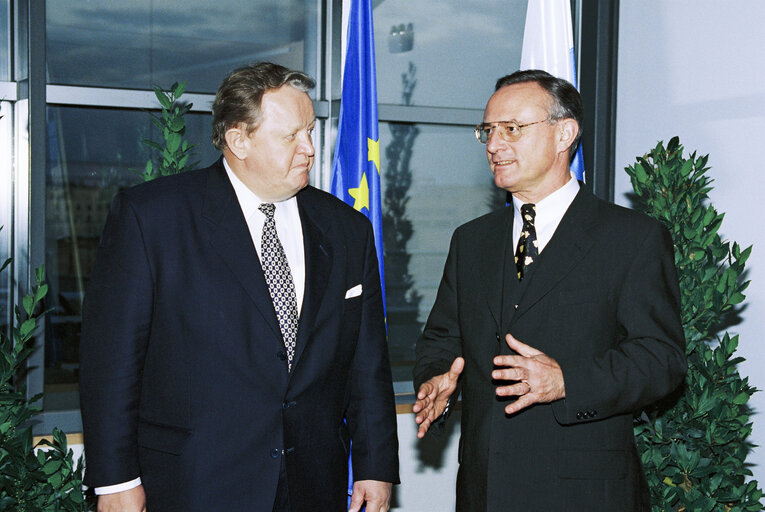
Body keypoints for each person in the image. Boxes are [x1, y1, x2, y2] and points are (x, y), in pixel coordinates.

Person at [79, 62, 399, 512]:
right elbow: (110, 364)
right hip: (196, 483)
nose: (309, 148)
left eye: (309, 130)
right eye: (291, 136)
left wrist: (375, 463)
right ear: (238, 140)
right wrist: (115, 482)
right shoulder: (153, 218)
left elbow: (367, 360)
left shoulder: (347, 229)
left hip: (313, 482)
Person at [412, 69, 686, 511]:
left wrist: (566, 382)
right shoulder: (470, 240)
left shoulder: (631, 238)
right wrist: (435, 381)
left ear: (565, 134)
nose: (494, 145)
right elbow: (441, 340)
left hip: (584, 492)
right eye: (488, 131)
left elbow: (661, 360)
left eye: (512, 129)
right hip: (485, 490)